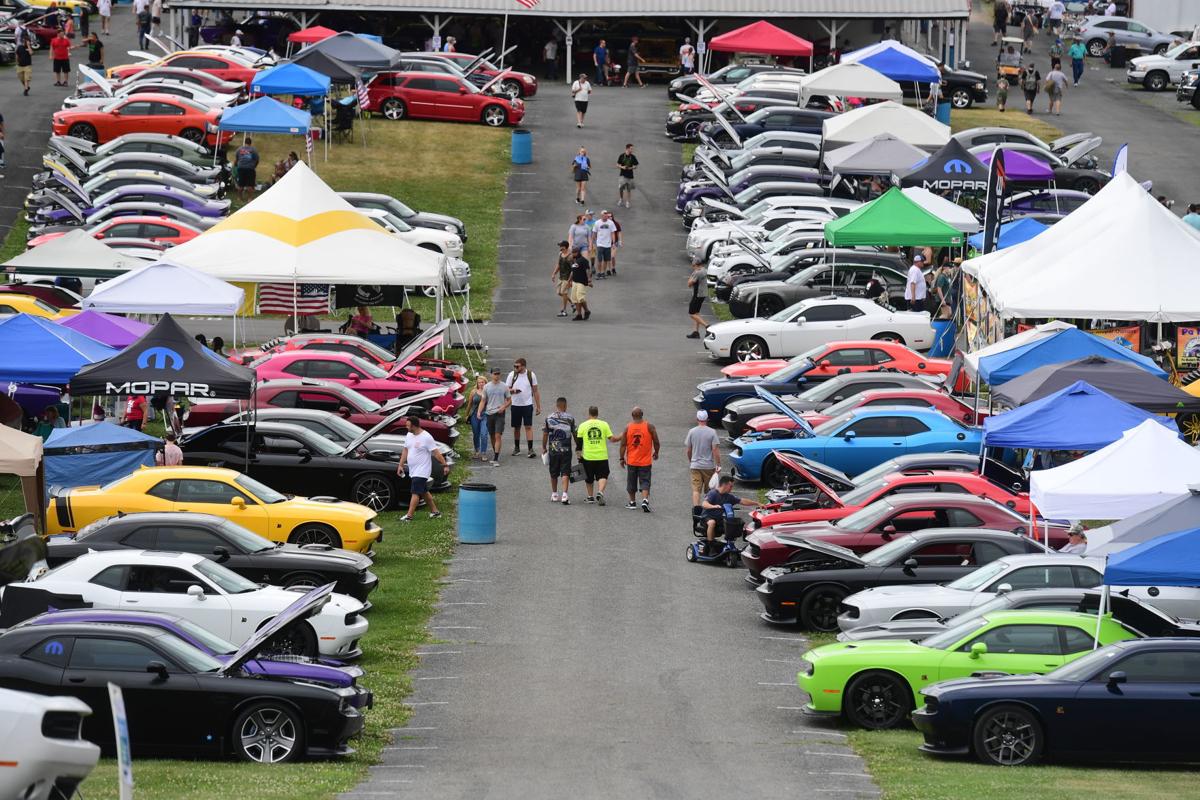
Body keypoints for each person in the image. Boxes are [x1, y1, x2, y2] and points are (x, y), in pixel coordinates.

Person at [398, 415, 446, 522]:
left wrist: (445, 465)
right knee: (424, 491)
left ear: (414, 426)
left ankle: (409, 516)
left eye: (408, 426)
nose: (406, 427)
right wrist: (400, 465)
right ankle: (435, 512)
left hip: (422, 470)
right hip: (413, 470)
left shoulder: (426, 437)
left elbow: (436, 453)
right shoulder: (409, 435)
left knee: (415, 492)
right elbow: (405, 450)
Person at [701, 475, 759, 553]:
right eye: (730, 486)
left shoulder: (728, 497)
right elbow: (704, 504)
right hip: (707, 517)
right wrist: (713, 506)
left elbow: (742, 501)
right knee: (712, 522)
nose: (731, 488)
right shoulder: (713, 493)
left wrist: (757, 503)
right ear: (724, 485)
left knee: (737, 524)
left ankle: (734, 544)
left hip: (719, 519)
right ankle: (711, 545)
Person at [618, 406, 659, 512]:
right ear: (642, 415)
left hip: (632, 460)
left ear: (632, 416)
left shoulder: (628, 428)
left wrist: (622, 458)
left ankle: (632, 502)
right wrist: (656, 452)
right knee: (645, 481)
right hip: (645, 461)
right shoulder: (649, 426)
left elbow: (623, 445)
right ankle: (645, 500)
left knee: (631, 481)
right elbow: (656, 441)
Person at [576, 406, 618, 504]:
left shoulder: (583, 425)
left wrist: (579, 456)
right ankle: (600, 492)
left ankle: (590, 497)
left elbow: (579, 444)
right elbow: (612, 439)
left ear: (589, 413)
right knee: (603, 475)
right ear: (597, 414)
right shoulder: (604, 424)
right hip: (602, 456)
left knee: (588, 477)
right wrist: (622, 436)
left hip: (588, 457)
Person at [542, 397, 576, 504]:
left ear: (556, 406)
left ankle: (554, 494)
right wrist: (578, 445)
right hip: (566, 449)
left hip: (554, 449)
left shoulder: (549, 418)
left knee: (553, 471)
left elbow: (545, 433)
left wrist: (544, 447)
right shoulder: (570, 418)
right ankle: (565, 495)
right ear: (565, 406)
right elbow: (575, 433)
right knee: (565, 472)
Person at [505, 357, 540, 458]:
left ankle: (530, 449)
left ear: (523, 366)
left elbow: (536, 391)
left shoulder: (531, 375)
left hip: (527, 405)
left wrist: (538, 406)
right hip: (515, 405)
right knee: (516, 427)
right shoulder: (512, 375)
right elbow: (506, 389)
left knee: (528, 426)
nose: (515, 368)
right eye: (514, 366)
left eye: (517, 366)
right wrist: (513, 391)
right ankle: (517, 448)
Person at [685, 410, 720, 506]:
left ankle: (696, 509)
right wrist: (718, 464)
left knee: (696, 489)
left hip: (695, 465)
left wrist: (691, 461)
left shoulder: (691, 432)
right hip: (708, 466)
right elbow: (715, 450)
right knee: (709, 489)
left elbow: (688, 450)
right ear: (707, 419)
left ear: (697, 419)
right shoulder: (712, 432)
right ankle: (708, 508)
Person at [479, 368, 511, 465]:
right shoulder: (487, 387)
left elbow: (509, 400)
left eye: (498, 374)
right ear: (491, 375)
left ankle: (496, 458)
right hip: (489, 413)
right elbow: (483, 400)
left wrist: (504, 406)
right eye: (495, 374)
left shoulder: (504, 386)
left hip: (500, 414)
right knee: (492, 435)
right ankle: (495, 453)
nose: (497, 375)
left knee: (498, 435)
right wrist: (479, 411)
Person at [465, 375, 490, 460]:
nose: (481, 384)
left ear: (485, 383)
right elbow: (469, 404)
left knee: (484, 434)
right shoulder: (473, 391)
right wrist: (466, 415)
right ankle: (477, 451)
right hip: (474, 415)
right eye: (479, 382)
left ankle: (483, 453)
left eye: (482, 382)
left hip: (485, 414)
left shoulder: (488, 391)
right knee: (476, 433)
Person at [591, 209, 617, 279]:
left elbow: (613, 233)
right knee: (599, 259)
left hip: (608, 244)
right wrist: (592, 243)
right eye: (604, 215)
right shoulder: (597, 223)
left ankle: (603, 272)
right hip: (600, 244)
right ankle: (598, 272)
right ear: (601, 215)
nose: (605, 217)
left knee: (606, 260)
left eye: (606, 215)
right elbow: (594, 233)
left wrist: (613, 243)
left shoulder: (611, 223)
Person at [567, 246, 591, 321]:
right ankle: (579, 315)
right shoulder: (575, 260)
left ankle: (587, 311)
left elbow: (588, 270)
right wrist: (569, 281)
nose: (572, 254)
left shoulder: (583, 260)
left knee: (580, 298)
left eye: (573, 253)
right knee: (575, 299)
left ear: (577, 253)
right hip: (575, 282)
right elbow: (572, 271)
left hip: (581, 282)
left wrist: (589, 280)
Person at [552, 239, 574, 317]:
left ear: (565, 247)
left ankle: (564, 310)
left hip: (567, 278)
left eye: (561, 246)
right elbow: (558, 264)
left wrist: (570, 281)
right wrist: (554, 273)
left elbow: (573, 270)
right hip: (561, 277)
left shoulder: (570, 257)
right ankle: (573, 304)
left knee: (564, 293)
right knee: (559, 293)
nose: (560, 247)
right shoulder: (560, 254)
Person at [687, 260, 707, 338]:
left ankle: (707, 326)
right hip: (703, 294)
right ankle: (696, 332)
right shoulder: (704, 270)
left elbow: (689, 284)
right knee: (696, 313)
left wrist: (691, 277)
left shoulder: (697, 272)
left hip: (697, 294)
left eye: (693, 266)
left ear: (695, 265)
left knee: (692, 314)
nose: (692, 267)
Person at [616, 143, 638, 208]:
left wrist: (631, 168)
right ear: (627, 149)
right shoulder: (622, 156)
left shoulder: (633, 157)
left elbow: (636, 165)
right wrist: (622, 167)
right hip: (622, 175)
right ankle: (621, 199)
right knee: (621, 188)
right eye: (631, 148)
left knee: (629, 189)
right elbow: (617, 164)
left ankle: (627, 202)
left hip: (630, 175)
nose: (632, 150)